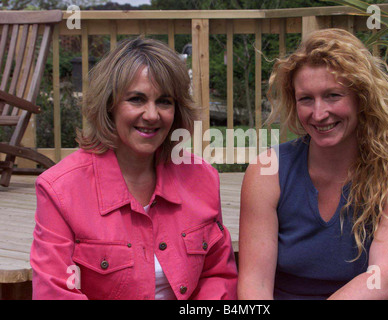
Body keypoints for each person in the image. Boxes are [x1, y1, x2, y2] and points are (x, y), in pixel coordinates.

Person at [30, 38, 237, 300]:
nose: (152, 115)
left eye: (164, 101)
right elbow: (55, 292)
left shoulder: (202, 177)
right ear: (109, 105)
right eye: (137, 99)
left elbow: (217, 276)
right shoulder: (60, 190)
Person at [238, 28, 388, 300]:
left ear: (362, 98)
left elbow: (383, 279)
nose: (318, 114)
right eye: (306, 99)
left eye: (333, 96)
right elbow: (254, 284)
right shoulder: (268, 170)